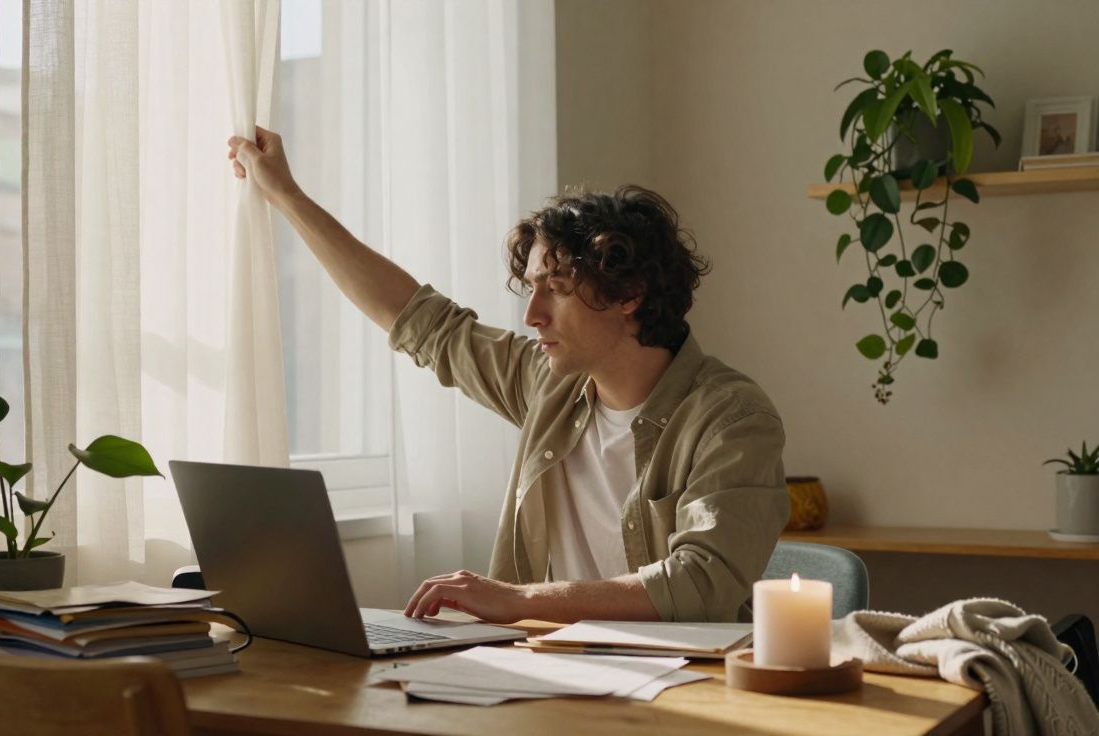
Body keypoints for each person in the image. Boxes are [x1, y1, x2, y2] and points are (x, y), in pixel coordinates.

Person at [227, 126, 788, 625]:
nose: (532, 315)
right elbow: (420, 321)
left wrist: (519, 600)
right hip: (552, 667)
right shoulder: (550, 385)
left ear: (629, 294)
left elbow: (700, 583)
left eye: (556, 289)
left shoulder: (732, 418)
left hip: (683, 685)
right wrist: (286, 195)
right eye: (532, 288)